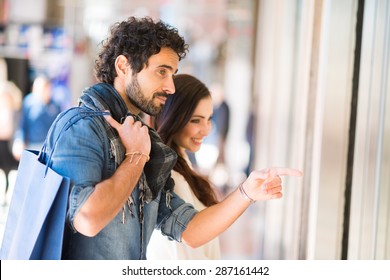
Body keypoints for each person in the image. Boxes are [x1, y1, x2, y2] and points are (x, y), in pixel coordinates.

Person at [43, 16, 302, 260]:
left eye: (173, 74)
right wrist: (135, 158)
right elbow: (88, 218)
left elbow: (188, 230)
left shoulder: (146, 143)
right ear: (123, 66)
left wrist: (247, 192)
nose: (171, 87)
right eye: (162, 72)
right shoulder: (82, 127)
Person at [147, 74, 221, 259]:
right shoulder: (172, 178)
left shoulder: (182, 164)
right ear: (173, 118)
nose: (206, 129)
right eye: (196, 120)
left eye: (209, 118)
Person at [13, 75, 62, 158]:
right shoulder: (28, 103)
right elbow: (22, 125)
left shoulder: (56, 105)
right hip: (32, 145)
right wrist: (19, 140)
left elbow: (59, 127)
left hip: (50, 148)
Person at [0, 81, 22, 203]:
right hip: (0, 144)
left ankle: (6, 195)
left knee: (9, 172)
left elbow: (17, 130)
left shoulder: (16, 112)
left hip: (9, 146)